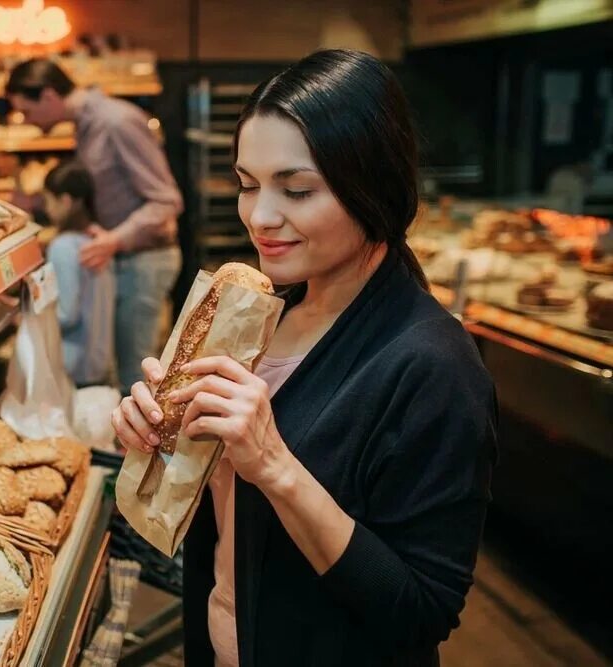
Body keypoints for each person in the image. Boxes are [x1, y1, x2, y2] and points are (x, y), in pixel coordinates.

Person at [111, 49, 497, 666]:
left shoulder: (431, 365)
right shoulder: (264, 316)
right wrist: (160, 437)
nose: (260, 216)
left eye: (296, 189)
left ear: (372, 185)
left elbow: (420, 609)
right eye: (246, 184)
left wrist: (275, 466)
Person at [5, 59, 183, 394]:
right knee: (119, 371)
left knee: (136, 370)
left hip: (144, 259)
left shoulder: (116, 122)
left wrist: (115, 240)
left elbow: (166, 200)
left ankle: (144, 446)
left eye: (26, 111)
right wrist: (35, 203)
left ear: (48, 96)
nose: (25, 121)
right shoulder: (87, 126)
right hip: (125, 258)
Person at [41, 160, 115, 387]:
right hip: (100, 361)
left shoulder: (62, 247)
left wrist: (28, 314)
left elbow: (66, 314)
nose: (46, 209)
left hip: (74, 366)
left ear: (65, 201)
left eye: (48, 201)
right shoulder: (99, 241)